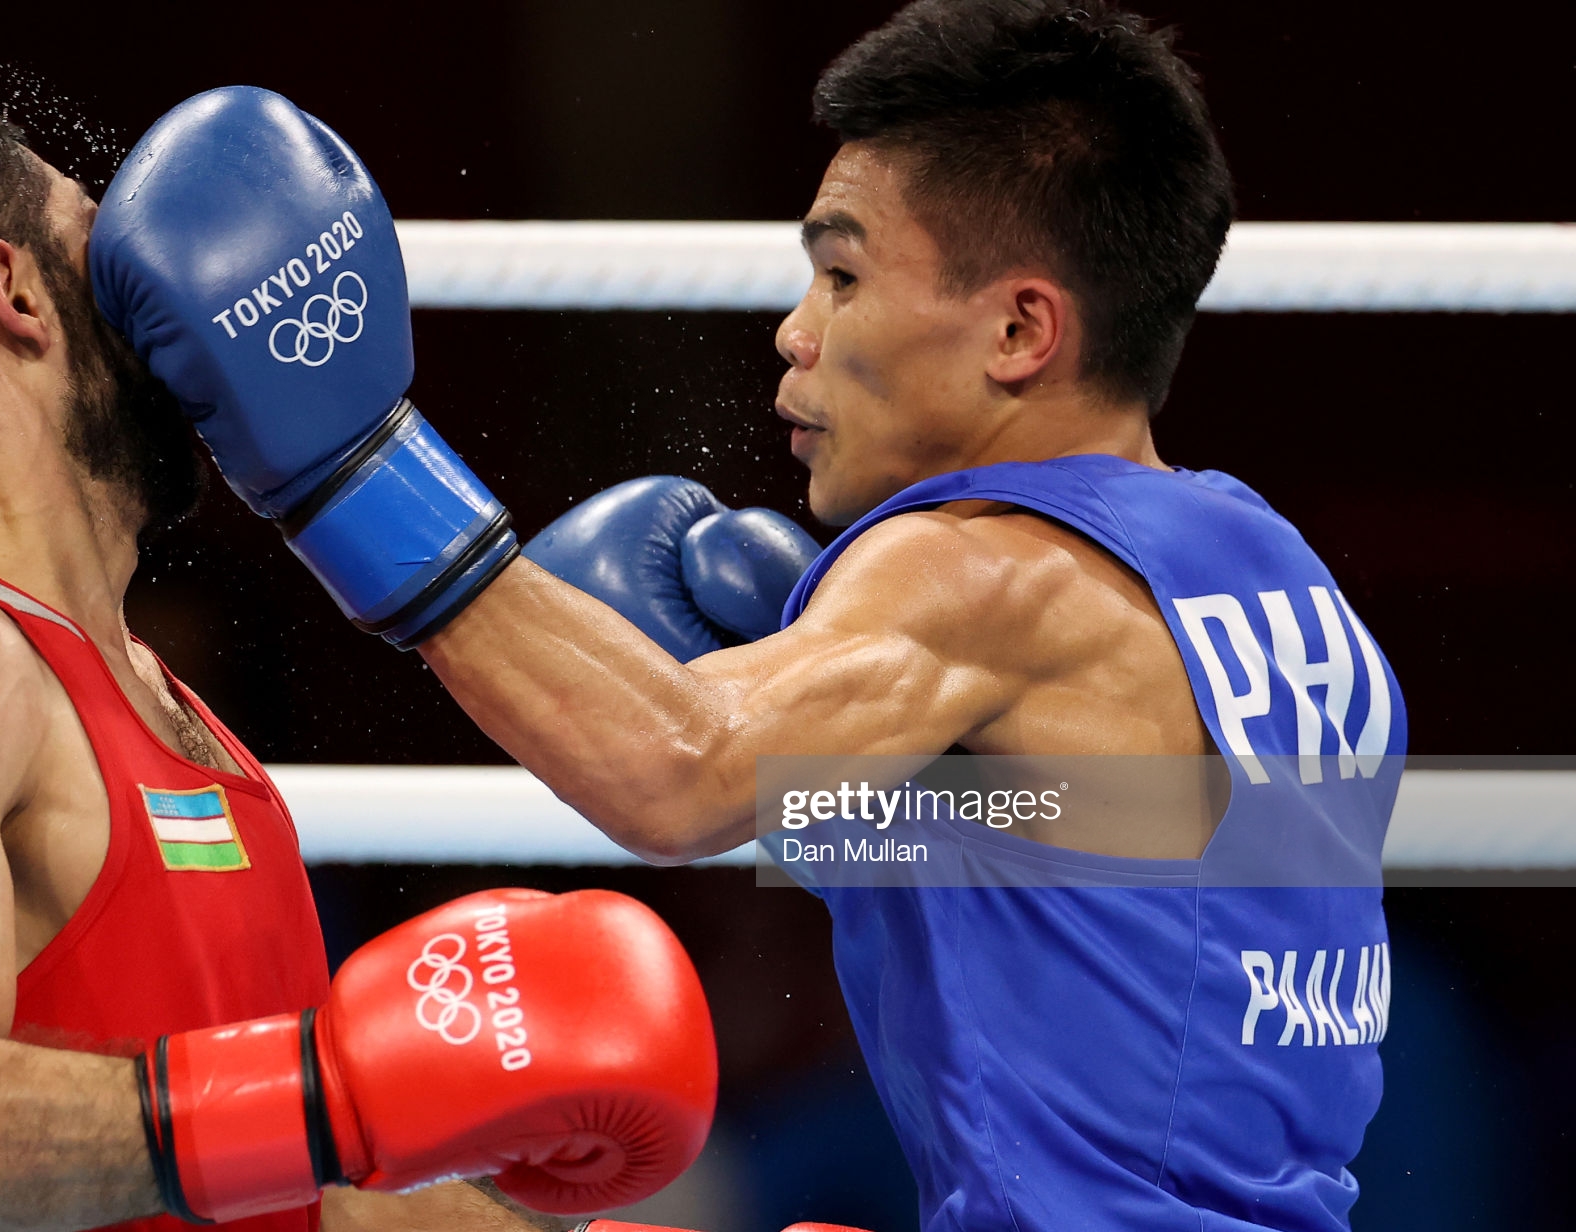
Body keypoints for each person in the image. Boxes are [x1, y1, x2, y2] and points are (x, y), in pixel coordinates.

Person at [88, 2, 1406, 1229]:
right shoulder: (1273, 577)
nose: (794, 333)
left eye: (842, 277)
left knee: (393, 1207)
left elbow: (675, 778)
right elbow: (1105, 888)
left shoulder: (984, 568)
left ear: (1018, 330)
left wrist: (350, 467)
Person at [0, 90, 717, 1232]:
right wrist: (326, 1092)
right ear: (13, 291)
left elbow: (297, 1191)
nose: (156, 300)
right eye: (102, 244)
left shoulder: (150, 694)